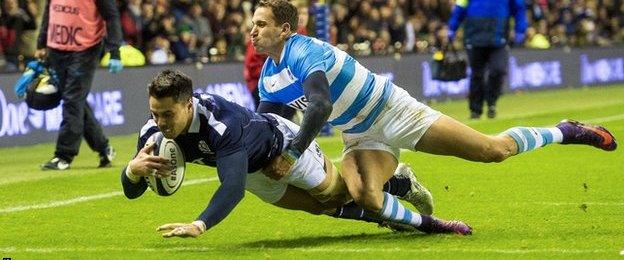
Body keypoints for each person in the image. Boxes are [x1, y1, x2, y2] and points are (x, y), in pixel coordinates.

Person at [251, 0, 617, 226]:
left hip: (395, 111)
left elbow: (320, 104)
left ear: (285, 29)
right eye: (252, 24)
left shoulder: (303, 50)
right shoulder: (269, 77)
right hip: (358, 134)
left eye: (261, 24)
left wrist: (294, 152)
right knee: (364, 196)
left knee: (493, 151)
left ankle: (565, 130)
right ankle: (402, 184)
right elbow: (268, 125)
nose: (252, 31)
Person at [121, 70, 471, 238]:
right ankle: (387, 212)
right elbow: (134, 189)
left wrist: (200, 224)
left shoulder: (220, 125)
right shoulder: (152, 131)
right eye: (154, 113)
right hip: (253, 170)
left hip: (282, 144)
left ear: (188, 104)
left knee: (341, 193)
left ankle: (399, 187)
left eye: (168, 114)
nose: (160, 122)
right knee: (324, 208)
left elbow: (230, 187)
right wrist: (133, 172)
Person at [35, 0, 123, 170]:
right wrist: (41, 43)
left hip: (85, 50)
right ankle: (103, 148)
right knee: (75, 100)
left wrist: (114, 52)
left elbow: (111, 16)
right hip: (56, 48)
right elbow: (49, 11)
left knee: (72, 99)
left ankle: (63, 155)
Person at [446, 0, 528, 119]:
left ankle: (491, 102)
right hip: (474, 38)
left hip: (499, 38)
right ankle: (475, 110)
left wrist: (520, 29)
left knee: (498, 70)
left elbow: (519, 9)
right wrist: (452, 27)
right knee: (477, 75)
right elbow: (459, 8)